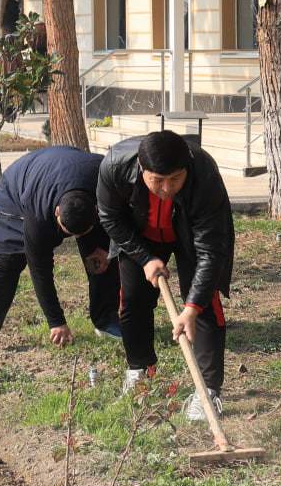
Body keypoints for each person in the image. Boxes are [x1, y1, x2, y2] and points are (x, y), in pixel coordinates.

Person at [97, 131, 235, 420]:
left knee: (205, 303)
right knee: (133, 299)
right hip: (140, 236)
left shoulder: (204, 173)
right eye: (156, 180)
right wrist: (144, 258)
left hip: (191, 235)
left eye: (174, 179)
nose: (166, 188)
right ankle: (140, 370)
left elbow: (211, 250)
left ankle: (207, 390)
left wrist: (191, 308)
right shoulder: (115, 165)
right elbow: (110, 218)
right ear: (141, 169)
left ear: (186, 170)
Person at [0, 146, 121, 355]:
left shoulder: (106, 184)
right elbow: (40, 270)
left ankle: (106, 319)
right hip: (19, 187)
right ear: (56, 213)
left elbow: (122, 224)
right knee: (8, 262)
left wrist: (106, 246)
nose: (77, 239)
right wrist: (56, 321)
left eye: (83, 233)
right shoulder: (38, 215)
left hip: (76, 174)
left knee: (100, 258)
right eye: (67, 231)